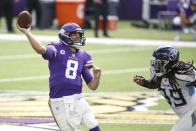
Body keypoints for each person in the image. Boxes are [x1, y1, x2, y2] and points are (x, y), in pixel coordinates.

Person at [16, 22, 102, 131]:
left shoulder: (84, 55)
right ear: (65, 36)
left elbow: (92, 86)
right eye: (74, 34)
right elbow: (40, 49)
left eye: (79, 35)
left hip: (78, 99)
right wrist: (27, 32)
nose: (78, 37)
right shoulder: (56, 47)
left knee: (94, 127)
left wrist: (97, 77)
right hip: (59, 101)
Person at [133, 45, 196, 131]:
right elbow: (156, 84)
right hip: (185, 114)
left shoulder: (182, 73)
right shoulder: (160, 75)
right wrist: (144, 83)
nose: (156, 66)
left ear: (170, 62)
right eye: (156, 63)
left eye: (160, 63)